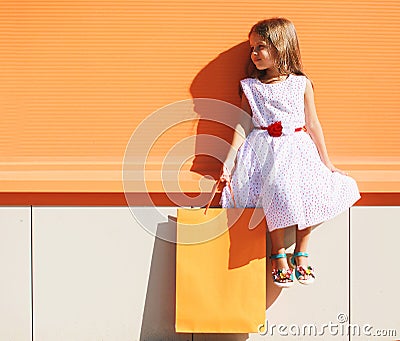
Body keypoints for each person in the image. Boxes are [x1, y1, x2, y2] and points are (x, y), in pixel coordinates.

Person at [219, 17, 361, 288]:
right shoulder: (251, 87)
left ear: (281, 46)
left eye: (260, 47)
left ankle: (302, 250)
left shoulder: (301, 84)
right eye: (252, 49)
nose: (254, 54)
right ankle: (278, 253)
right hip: (265, 149)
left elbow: (313, 123)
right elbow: (241, 124)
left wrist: (327, 162)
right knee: (277, 192)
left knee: (310, 191)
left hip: (298, 147)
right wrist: (229, 163)